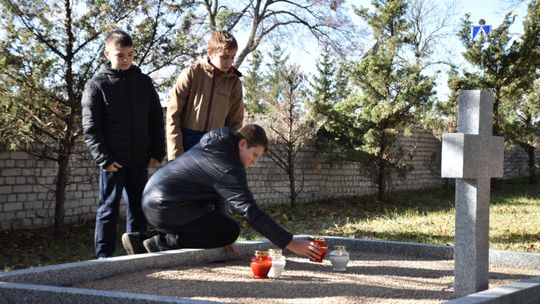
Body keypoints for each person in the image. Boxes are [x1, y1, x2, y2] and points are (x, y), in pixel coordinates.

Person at [122, 124, 322, 260]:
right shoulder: (228, 165)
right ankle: (160, 243)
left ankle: (141, 240)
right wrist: (290, 243)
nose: (253, 162)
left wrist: (218, 233)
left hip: (157, 200)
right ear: (242, 144)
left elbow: (218, 195)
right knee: (230, 231)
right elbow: (249, 211)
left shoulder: (218, 147)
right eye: (254, 155)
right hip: (167, 205)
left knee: (223, 230)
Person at [81, 30, 166, 258]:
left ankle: (137, 254)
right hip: (113, 162)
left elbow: (156, 119)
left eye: (130, 54)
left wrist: (158, 152)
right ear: (107, 53)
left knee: (139, 209)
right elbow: (91, 128)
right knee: (108, 209)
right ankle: (103, 258)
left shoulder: (144, 82)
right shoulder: (96, 85)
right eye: (120, 55)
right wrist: (104, 159)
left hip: (140, 159)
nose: (126, 59)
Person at [166, 30, 244, 161]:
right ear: (210, 53)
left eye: (232, 57)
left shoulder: (234, 83)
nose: (229, 62)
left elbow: (235, 122)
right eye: (224, 57)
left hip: (216, 144)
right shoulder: (191, 73)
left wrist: (227, 152)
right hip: (187, 140)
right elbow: (173, 114)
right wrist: (175, 154)